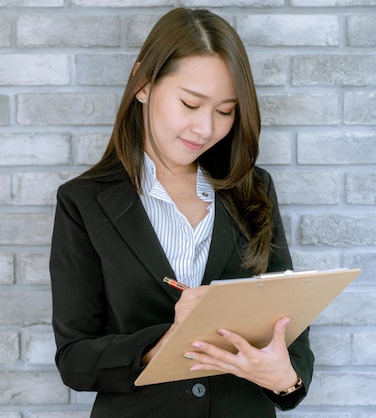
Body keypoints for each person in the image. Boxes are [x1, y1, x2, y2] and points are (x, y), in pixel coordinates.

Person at [49, 7, 314, 418]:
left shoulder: (253, 190)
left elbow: (292, 341)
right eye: (190, 104)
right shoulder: (83, 202)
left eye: (225, 111)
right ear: (143, 83)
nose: (205, 129)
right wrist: (171, 339)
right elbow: (75, 358)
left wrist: (284, 378)